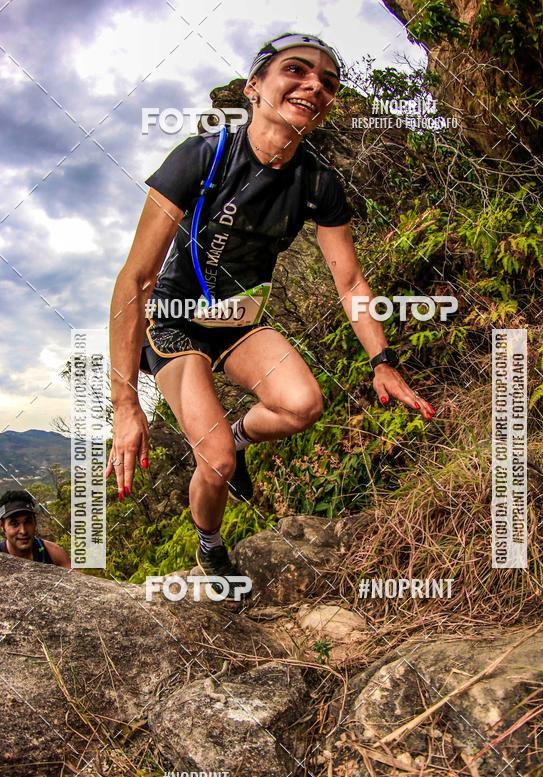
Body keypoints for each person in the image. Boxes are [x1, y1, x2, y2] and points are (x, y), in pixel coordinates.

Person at [106, 32, 435, 593]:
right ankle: (210, 544)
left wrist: (383, 359)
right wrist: (124, 404)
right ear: (255, 87)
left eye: (328, 82)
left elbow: (350, 279)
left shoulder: (318, 183)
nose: (314, 86)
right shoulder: (203, 156)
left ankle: (236, 435)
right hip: (175, 323)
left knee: (303, 404)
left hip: (239, 324)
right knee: (215, 464)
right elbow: (135, 278)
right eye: (296, 71)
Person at [0, 490, 71, 568]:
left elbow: (77, 578)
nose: (23, 531)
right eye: (14, 524)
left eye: (28, 522)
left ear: (35, 522)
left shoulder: (54, 554)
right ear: (2, 526)